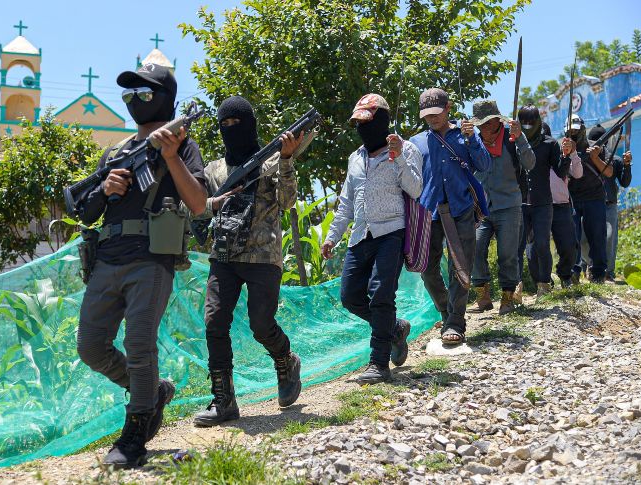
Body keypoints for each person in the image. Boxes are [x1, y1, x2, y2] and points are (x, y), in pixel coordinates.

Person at [75, 63, 208, 469]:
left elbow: (199, 203)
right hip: (108, 259)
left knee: (138, 344)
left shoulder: (182, 143)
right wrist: (104, 187)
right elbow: (85, 212)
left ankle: (135, 435)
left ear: (166, 96)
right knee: (91, 346)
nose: (135, 100)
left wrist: (171, 156)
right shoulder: (116, 152)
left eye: (144, 93)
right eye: (129, 94)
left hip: (151, 259)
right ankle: (154, 392)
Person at [187, 96, 306, 427]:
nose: (229, 131)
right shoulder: (214, 170)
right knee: (214, 323)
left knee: (260, 324)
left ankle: (285, 360)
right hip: (223, 255)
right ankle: (223, 400)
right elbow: (196, 206)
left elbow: (286, 202)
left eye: (236, 124)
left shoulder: (269, 163)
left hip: (262, 256)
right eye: (223, 125)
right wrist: (215, 201)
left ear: (250, 125)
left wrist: (285, 159)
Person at [321, 94, 423, 384]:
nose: (362, 129)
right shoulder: (356, 157)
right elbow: (346, 203)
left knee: (380, 294)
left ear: (382, 121)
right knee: (350, 296)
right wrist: (332, 236)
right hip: (361, 234)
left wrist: (399, 156)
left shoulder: (407, 150)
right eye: (358, 124)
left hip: (392, 231)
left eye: (367, 122)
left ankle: (379, 364)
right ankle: (395, 328)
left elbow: (416, 189)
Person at [409, 88, 492, 344]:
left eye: (436, 113)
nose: (432, 119)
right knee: (427, 269)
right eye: (427, 115)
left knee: (461, 267)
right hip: (427, 212)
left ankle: (456, 322)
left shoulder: (466, 134)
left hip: (461, 210)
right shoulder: (414, 142)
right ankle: (447, 311)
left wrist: (473, 141)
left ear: (448, 108)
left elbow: (484, 166)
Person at [468, 100, 534, 314]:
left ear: (498, 120)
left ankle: (507, 296)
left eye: (488, 123)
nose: (485, 128)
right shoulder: (473, 141)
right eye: (481, 124)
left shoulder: (511, 138)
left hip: (509, 205)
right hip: (481, 208)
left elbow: (530, 163)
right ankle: (483, 295)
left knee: (507, 253)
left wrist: (521, 139)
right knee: (475, 248)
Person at [514, 106, 570, 298]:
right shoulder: (513, 142)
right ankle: (515, 289)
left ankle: (544, 285)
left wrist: (567, 155)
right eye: (524, 123)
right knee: (517, 246)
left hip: (543, 203)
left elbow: (561, 172)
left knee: (542, 244)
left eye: (532, 122)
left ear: (538, 121)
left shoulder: (550, 144)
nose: (528, 127)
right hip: (519, 203)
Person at [529, 121, 583, 289]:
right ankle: (543, 283)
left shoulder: (561, 154)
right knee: (536, 247)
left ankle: (565, 275)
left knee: (568, 245)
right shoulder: (527, 154)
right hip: (536, 206)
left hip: (560, 206)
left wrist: (572, 153)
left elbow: (578, 173)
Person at [579, 125, 632, 282]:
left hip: (608, 203)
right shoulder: (583, 157)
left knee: (608, 239)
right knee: (582, 238)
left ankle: (607, 272)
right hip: (588, 202)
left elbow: (624, 182)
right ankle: (590, 264)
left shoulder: (614, 160)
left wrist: (627, 165)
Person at [565, 114, 612, 284]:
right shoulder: (562, 149)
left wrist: (595, 158)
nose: (574, 134)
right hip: (573, 199)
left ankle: (598, 273)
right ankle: (573, 272)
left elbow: (608, 172)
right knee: (571, 238)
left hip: (595, 197)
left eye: (576, 131)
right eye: (570, 132)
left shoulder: (596, 147)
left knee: (597, 236)